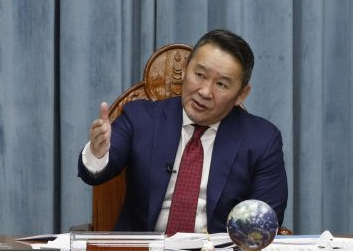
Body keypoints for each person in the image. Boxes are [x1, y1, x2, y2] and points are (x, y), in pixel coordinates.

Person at [78, 29, 288, 232]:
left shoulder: (262, 140)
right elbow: (95, 175)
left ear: (242, 94)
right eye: (199, 75)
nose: (205, 91)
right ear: (186, 69)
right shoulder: (140, 117)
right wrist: (99, 152)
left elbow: (264, 220)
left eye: (222, 84)